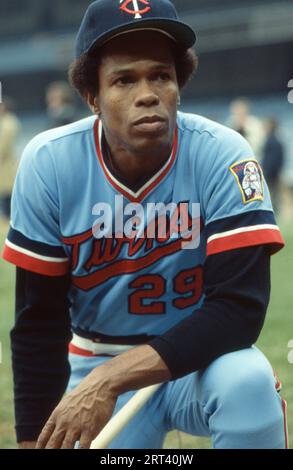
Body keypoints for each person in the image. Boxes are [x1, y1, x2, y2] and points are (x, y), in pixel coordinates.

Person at [2, 0, 288, 450]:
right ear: (91, 96)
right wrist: (33, 439)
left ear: (179, 86)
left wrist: (113, 379)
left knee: (247, 382)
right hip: (97, 358)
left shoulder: (222, 154)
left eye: (161, 75)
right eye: (124, 80)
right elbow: (39, 321)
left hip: (201, 362)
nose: (148, 93)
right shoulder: (50, 162)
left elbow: (239, 309)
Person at [0, 99, 21, 220]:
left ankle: (8, 216)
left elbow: (3, 145)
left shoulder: (8, 123)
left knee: (8, 190)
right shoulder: (6, 121)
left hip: (7, 162)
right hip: (7, 161)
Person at [261, 118, 285, 216]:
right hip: (276, 173)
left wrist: (265, 173)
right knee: (275, 195)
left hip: (270, 174)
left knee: (271, 195)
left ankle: (272, 214)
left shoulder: (270, 141)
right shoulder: (277, 140)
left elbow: (269, 160)